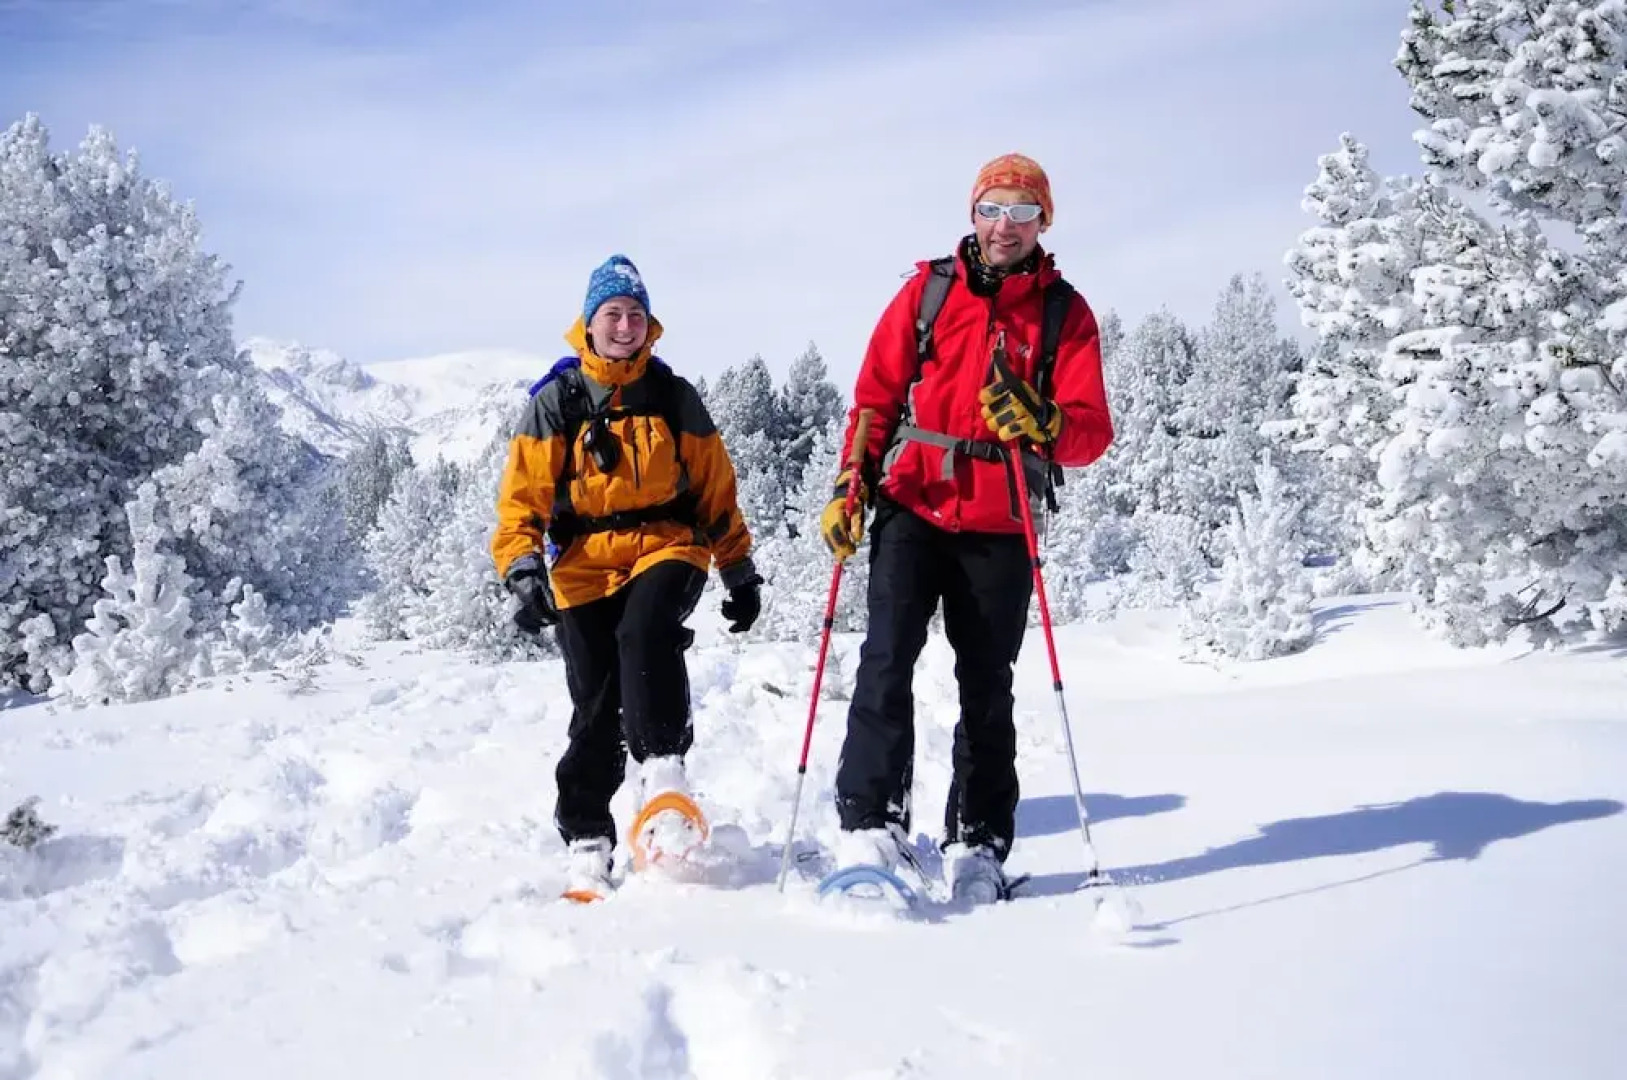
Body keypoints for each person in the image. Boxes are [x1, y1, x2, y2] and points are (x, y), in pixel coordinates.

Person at [820, 153, 1114, 902]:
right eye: (992, 208)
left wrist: (1045, 421)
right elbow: (874, 401)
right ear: (972, 214)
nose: (1005, 225)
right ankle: (870, 826)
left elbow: (1090, 431)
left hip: (1000, 519)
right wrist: (850, 486)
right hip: (912, 501)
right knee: (885, 660)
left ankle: (976, 840)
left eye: (1022, 211)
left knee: (986, 685)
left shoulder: (1063, 313)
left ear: (1043, 222)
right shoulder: (927, 293)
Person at [491, 254, 763, 898]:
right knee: (595, 703)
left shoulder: (672, 396)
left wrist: (738, 569)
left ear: (649, 324)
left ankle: (664, 776)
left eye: (635, 314)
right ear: (589, 323)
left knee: (646, 633)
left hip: (668, 545)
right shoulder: (557, 401)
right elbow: (522, 498)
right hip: (583, 564)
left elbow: (716, 491)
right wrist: (522, 567)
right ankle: (589, 839)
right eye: (612, 314)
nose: (624, 326)